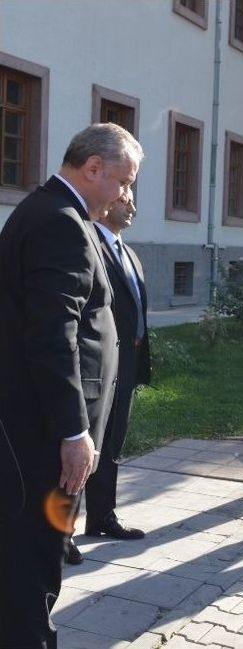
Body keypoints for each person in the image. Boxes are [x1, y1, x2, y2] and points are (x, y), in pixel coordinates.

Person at [0, 123, 143, 649]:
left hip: (50, 437)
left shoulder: (57, 214)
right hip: (46, 440)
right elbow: (52, 336)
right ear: (93, 168)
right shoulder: (59, 222)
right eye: (125, 182)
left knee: (44, 548)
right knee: (34, 558)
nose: (127, 194)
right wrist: (73, 431)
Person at [66, 191, 151, 564]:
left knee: (112, 443)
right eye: (125, 197)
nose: (132, 205)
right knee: (79, 450)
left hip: (126, 363)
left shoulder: (128, 251)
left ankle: (102, 516)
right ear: (107, 200)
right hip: (95, 366)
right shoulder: (89, 243)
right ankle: (61, 532)